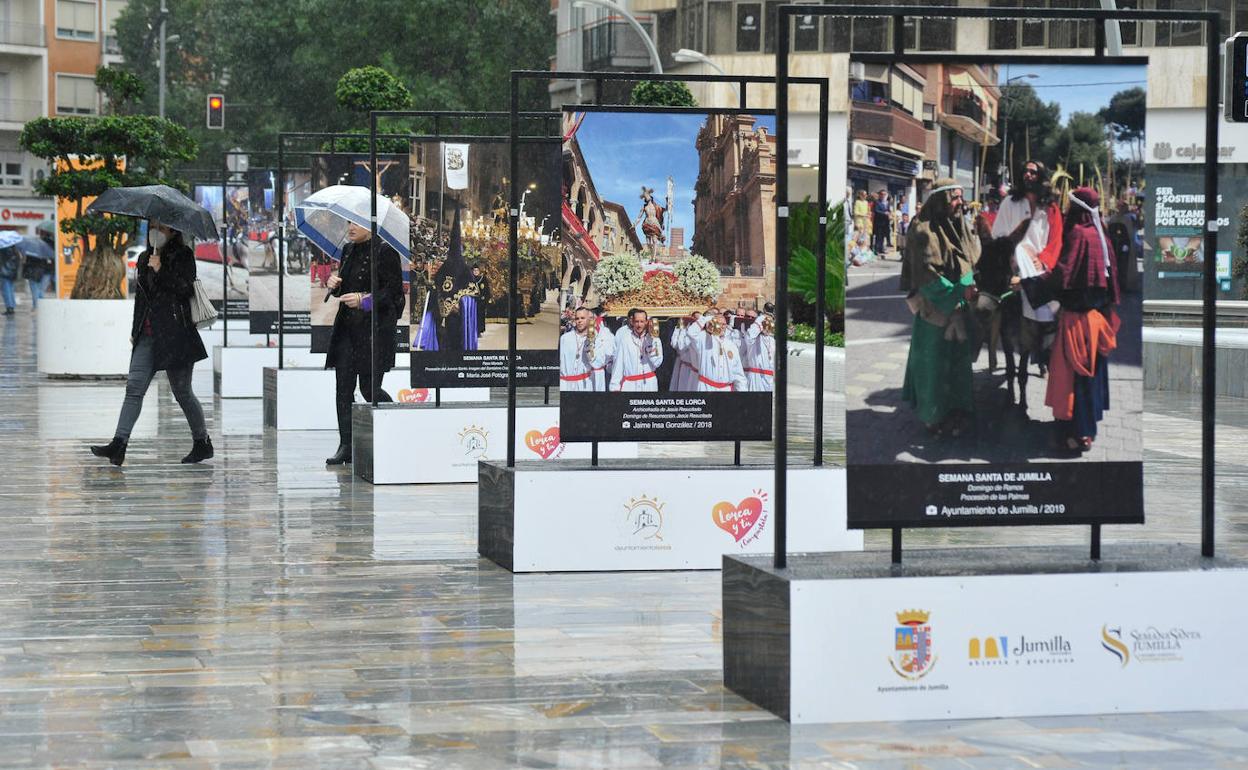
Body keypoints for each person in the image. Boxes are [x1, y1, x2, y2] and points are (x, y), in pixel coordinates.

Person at [89, 223, 212, 466]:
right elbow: (141, 299)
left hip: (175, 334)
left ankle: (202, 443)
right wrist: (135, 330)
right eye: (152, 226)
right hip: (147, 334)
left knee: (183, 392)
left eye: (162, 228)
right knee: (134, 388)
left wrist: (162, 269)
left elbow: (185, 289)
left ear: (174, 232)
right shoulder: (145, 256)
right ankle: (119, 444)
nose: (155, 231)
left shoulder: (184, 255)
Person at [899, 179, 981, 436]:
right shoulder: (923, 230)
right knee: (933, 366)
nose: (960, 203)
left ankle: (957, 410)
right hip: (934, 310)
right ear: (941, 200)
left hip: (959, 307)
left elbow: (971, 259)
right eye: (955, 198)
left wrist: (971, 285)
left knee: (958, 364)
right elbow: (927, 276)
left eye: (960, 197)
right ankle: (932, 417)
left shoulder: (958, 225)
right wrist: (958, 291)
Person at [1044, 187, 1120, 453]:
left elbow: (1062, 276)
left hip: (1076, 322)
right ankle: (1088, 431)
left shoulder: (1077, 234)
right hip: (1097, 321)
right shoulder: (1102, 236)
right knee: (1091, 377)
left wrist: (1030, 283)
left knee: (1072, 379)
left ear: (1075, 208)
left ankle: (1074, 434)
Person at [323, 220, 404, 465]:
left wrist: (365, 300)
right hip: (347, 330)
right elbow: (343, 289)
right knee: (343, 389)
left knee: (370, 390)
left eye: (356, 222)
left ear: (372, 224)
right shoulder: (348, 250)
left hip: (373, 332)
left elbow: (393, 293)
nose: (350, 227)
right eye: (347, 222)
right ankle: (346, 445)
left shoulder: (385, 251)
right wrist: (334, 285)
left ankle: (396, 427)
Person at [684, 310, 748, 392]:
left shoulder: (731, 345)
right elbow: (691, 332)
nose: (722, 326)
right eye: (719, 324)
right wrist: (706, 319)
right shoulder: (704, 339)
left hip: (726, 389)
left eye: (724, 324)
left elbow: (738, 373)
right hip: (706, 387)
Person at [610, 308, 663, 391]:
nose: (639, 325)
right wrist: (615, 388)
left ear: (646, 322)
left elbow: (657, 363)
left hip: (648, 384)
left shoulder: (655, 340)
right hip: (630, 385)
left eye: (642, 322)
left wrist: (650, 344)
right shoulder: (625, 340)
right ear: (632, 322)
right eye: (637, 321)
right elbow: (618, 366)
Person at [559, 307, 607, 391]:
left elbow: (598, 363)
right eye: (577, 318)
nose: (579, 321)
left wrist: (589, 349)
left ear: (589, 320)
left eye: (582, 318)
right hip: (566, 385)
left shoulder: (596, 338)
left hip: (585, 385)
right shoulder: (565, 338)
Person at [741, 311, 775, 392]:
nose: (767, 325)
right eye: (765, 322)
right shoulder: (753, 339)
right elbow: (749, 337)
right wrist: (759, 321)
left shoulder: (772, 340)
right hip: (756, 377)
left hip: (769, 378)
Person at [872, 190, 893, 256]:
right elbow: (876, 211)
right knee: (878, 236)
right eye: (882, 194)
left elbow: (888, 210)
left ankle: (881, 248)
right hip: (879, 222)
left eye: (884, 194)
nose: (883, 196)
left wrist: (890, 214)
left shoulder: (887, 202)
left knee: (883, 236)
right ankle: (876, 249)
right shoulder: (877, 202)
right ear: (880, 195)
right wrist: (884, 213)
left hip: (886, 222)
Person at [0, 245, 18, 315]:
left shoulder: (3, 249)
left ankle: (9, 308)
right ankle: (12, 306)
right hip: (11, 272)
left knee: (6, 290)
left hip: (4, 272)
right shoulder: (14, 249)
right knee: (10, 289)